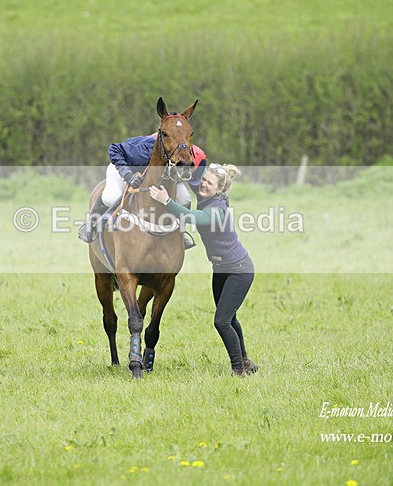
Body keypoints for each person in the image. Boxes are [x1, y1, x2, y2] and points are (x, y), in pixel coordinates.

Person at [149, 163, 259, 376]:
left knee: (222, 321)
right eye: (204, 180)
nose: (204, 184)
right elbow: (192, 174)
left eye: (210, 183)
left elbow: (194, 218)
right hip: (221, 269)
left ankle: (238, 369)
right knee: (230, 318)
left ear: (220, 189)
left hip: (239, 270)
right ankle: (245, 361)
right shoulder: (206, 197)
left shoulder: (217, 208)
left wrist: (167, 202)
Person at [78, 133, 206, 243]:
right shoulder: (145, 150)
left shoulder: (199, 160)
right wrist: (128, 175)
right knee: (112, 196)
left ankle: (179, 233)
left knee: (185, 198)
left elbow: (196, 187)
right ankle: (91, 224)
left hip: (167, 172)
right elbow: (114, 149)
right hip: (124, 165)